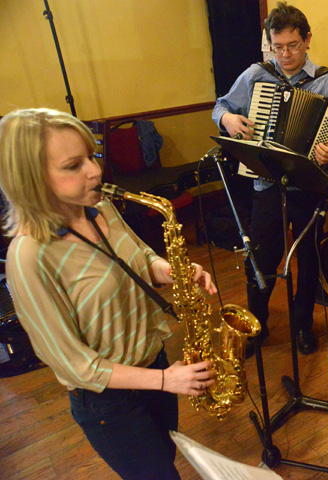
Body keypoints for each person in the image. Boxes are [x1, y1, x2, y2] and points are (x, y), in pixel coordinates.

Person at [0, 108, 219, 480]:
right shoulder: (30, 256)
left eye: (91, 157)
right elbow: (75, 365)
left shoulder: (99, 207)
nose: (95, 172)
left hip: (154, 363)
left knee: (165, 456)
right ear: (31, 179)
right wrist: (168, 381)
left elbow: (140, 259)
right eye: (73, 165)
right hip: (111, 402)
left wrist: (174, 271)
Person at [212, 2, 328, 355]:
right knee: (260, 257)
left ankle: (303, 325)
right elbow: (221, 107)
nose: (284, 55)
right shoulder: (257, 74)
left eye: (292, 46)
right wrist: (227, 120)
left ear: (307, 41)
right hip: (266, 185)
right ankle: (255, 327)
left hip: (309, 187)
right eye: (277, 47)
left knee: (308, 258)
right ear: (269, 43)